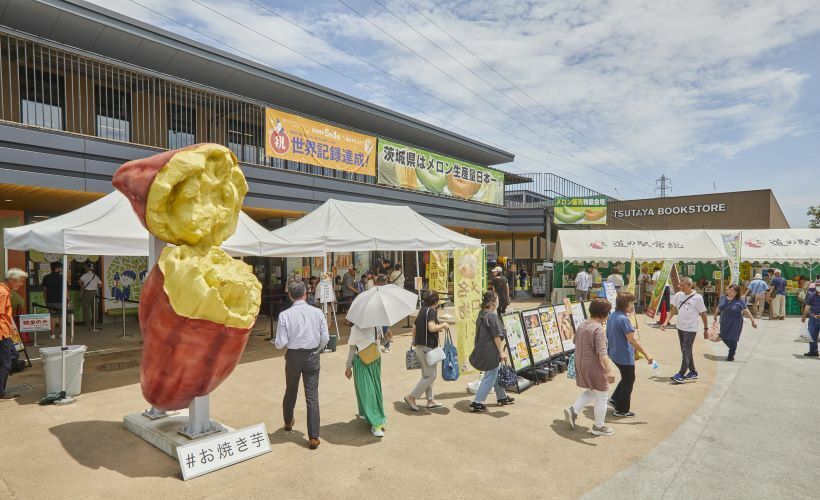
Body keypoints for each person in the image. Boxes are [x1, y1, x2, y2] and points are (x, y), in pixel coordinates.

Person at [273, 281, 329, 450]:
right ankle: (313, 436)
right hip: (312, 355)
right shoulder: (318, 312)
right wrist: (316, 350)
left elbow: (280, 343)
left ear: (290, 295)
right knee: (312, 396)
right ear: (306, 293)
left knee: (291, 389)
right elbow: (325, 337)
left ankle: (288, 421)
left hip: (293, 356)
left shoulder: (285, 315)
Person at [564, 298, 616, 436]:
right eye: (608, 313)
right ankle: (598, 427)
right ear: (603, 314)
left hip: (580, 362)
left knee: (592, 391)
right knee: (603, 395)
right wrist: (609, 371)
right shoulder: (598, 329)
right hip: (593, 365)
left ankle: (573, 410)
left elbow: (575, 340)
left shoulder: (582, 324)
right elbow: (602, 353)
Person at [606, 293, 653, 417]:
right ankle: (621, 409)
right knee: (629, 379)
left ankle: (615, 399)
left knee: (627, 378)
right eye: (631, 303)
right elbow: (632, 340)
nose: (633, 305)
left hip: (614, 353)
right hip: (624, 356)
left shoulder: (613, 316)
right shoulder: (623, 319)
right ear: (624, 304)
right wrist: (647, 354)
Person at [404, 291, 451, 411]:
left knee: (428, 375)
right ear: (436, 302)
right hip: (427, 348)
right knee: (430, 375)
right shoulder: (431, 311)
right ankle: (411, 396)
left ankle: (430, 400)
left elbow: (414, 327)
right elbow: (431, 327)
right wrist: (443, 325)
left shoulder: (422, 310)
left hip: (421, 347)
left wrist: (414, 339)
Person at [469, 291, 515, 412]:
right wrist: (501, 352)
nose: (497, 302)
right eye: (496, 300)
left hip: (482, 348)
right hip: (491, 350)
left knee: (495, 372)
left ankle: (502, 397)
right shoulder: (492, 316)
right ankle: (476, 402)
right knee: (490, 376)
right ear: (492, 302)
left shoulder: (482, 313)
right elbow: (496, 336)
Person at [662, 277, 708, 384]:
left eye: (682, 285)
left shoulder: (698, 298)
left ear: (689, 285)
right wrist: (666, 321)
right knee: (686, 350)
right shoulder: (678, 295)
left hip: (691, 328)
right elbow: (673, 309)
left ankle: (681, 374)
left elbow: (703, 314)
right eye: (680, 285)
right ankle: (693, 372)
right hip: (680, 327)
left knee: (685, 349)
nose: (680, 287)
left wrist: (706, 329)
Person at [345, 323, 387, 437]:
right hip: (375, 359)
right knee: (373, 389)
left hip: (362, 361)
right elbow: (380, 342)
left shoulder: (356, 328)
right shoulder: (377, 325)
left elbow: (352, 348)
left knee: (367, 391)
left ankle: (376, 422)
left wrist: (348, 366)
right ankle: (368, 414)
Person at [1, 268, 27, 401]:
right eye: (20, 281)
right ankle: (1, 393)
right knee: (5, 362)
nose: (21, 284)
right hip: (2, 333)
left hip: (5, 332)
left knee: (12, 356)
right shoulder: (3, 293)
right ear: (11, 280)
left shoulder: (4, 291)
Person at [714, 284, 757, 361]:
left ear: (736, 292)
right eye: (728, 290)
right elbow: (719, 307)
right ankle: (732, 349)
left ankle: (731, 355)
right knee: (723, 336)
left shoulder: (740, 300)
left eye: (731, 290)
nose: (729, 291)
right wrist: (715, 315)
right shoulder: (723, 298)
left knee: (733, 339)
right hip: (725, 321)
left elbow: (746, 311)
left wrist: (753, 321)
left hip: (736, 322)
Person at [42, 261, 64, 340]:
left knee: (52, 317)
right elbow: (66, 290)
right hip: (61, 301)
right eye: (61, 267)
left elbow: (44, 290)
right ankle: (61, 334)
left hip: (50, 301)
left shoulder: (46, 277)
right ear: (58, 268)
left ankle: (52, 334)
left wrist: (46, 301)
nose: (62, 269)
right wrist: (69, 300)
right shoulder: (62, 277)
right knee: (61, 317)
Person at [78, 262, 101, 330]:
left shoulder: (84, 275)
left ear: (87, 268)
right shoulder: (95, 275)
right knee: (95, 308)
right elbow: (100, 283)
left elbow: (79, 281)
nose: (84, 269)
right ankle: (95, 323)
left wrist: (82, 286)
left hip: (87, 292)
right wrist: (96, 288)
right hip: (95, 292)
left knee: (86, 308)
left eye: (85, 268)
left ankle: (88, 324)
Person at [801, 279, 820, 357]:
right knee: (812, 335)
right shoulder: (812, 295)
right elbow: (807, 306)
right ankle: (813, 351)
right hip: (813, 318)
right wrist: (804, 317)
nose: (819, 287)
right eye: (818, 286)